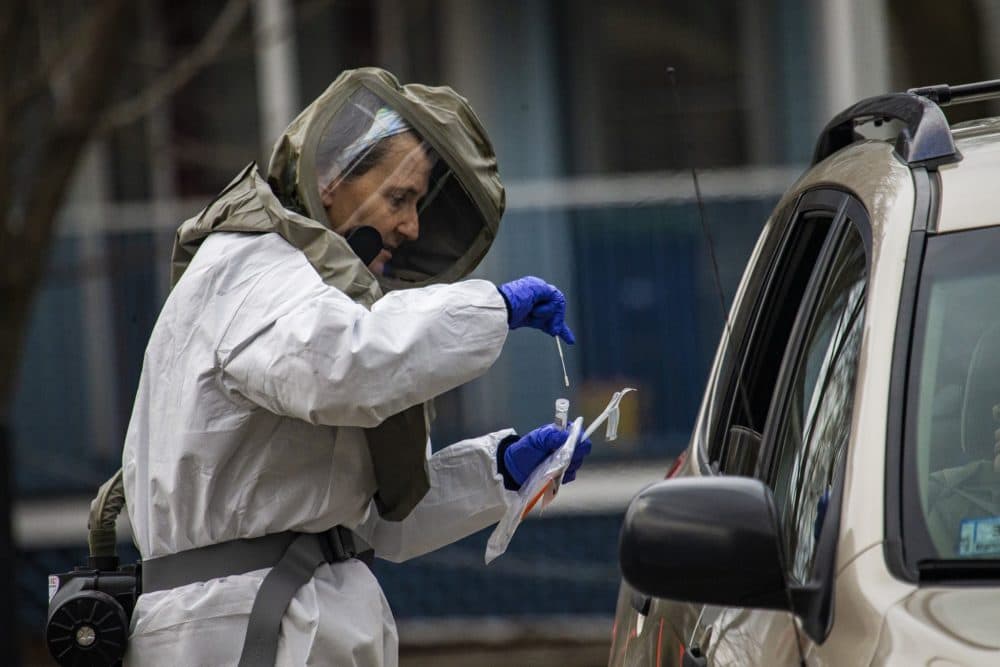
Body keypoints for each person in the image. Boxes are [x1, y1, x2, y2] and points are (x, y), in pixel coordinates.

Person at [121, 67, 592, 666]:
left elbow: (366, 526)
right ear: (328, 177)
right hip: (241, 629)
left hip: (276, 618)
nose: (412, 226)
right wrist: (491, 307)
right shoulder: (252, 265)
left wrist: (497, 472)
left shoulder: (306, 292)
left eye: (418, 204)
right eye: (399, 197)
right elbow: (345, 369)